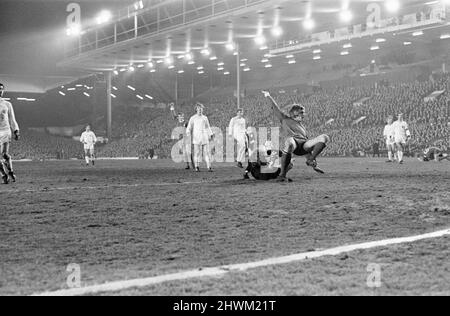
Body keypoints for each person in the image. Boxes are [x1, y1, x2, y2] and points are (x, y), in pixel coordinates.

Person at [262, 91, 330, 182]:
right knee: (289, 142)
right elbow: (276, 108)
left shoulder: (302, 127)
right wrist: (268, 96)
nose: (304, 115)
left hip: (303, 145)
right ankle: (282, 175)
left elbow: (306, 145)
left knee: (324, 137)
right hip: (293, 143)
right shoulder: (285, 119)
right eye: (302, 112)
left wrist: (313, 162)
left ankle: (309, 161)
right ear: (295, 113)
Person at [0, 83, 20, 184]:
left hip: (6, 131)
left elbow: (12, 119)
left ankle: (11, 172)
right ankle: (4, 174)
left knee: (5, 155)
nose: (0, 91)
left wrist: (16, 130)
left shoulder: (7, 104)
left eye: (1, 89)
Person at [186, 103, 214, 172]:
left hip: (204, 137)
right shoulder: (193, 118)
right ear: (196, 109)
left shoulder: (205, 118)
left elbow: (208, 127)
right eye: (199, 108)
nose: (200, 109)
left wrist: (210, 134)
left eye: (201, 108)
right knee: (197, 153)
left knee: (206, 152)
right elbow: (189, 127)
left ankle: (209, 167)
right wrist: (188, 133)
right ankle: (197, 166)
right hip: (196, 137)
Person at [170, 103, 194, 169]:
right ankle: (188, 165)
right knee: (184, 153)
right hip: (180, 139)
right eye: (179, 116)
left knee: (188, 152)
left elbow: (190, 129)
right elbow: (173, 116)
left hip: (186, 138)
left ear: (183, 116)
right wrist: (172, 108)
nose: (180, 117)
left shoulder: (186, 122)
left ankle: (193, 164)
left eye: (181, 116)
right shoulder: (178, 121)